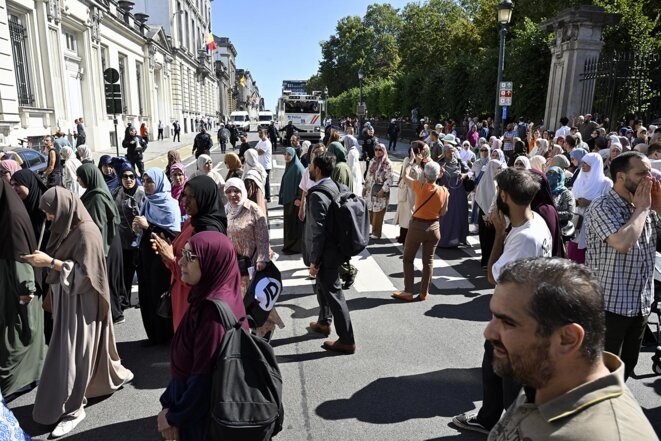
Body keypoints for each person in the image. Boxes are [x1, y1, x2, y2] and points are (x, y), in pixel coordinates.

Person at [486, 257, 659, 441]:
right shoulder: (541, 373)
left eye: (508, 322)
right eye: (493, 317)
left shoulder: (608, 435)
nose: (489, 332)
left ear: (568, 339)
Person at [23, 187, 133, 438]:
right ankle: (109, 378)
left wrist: (49, 263)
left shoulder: (87, 232)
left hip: (83, 305)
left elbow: (87, 277)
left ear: (63, 208)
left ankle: (73, 409)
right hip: (68, 302)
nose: (48, 218)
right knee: (77, 354)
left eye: (50, 212)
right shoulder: (68, 227)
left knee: (72, 356)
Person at [452, 168, 552, 435]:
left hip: (517, 320)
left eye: (499, 192)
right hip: (521, 315)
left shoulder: (524, 237)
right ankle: (488, 418)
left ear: (504, 196)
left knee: (510, 381)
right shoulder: (535, 222)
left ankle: (514, 430)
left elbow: (493, 276)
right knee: (492, 368)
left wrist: (498, 232)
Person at [157, 232, 248, 441]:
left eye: (189, 257)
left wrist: (173, 417)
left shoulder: (212, 315)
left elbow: (203, 383)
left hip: (200, 424)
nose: (180, 262)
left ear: (211, 262)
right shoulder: (215, 295)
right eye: (183, 255)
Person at [585, 151, 661, 380]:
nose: (649, 179)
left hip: (640, 305)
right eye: (641, 174)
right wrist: (644, 209)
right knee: (602, 374)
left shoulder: (645, 207)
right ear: (620, 176)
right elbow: (622, 243)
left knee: (625, 369)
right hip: (610, 306)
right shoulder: (602, 206)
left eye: (650, 173)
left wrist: (658, 207)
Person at [151, 175, 227, 332]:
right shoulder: (192, 221)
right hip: (181, 296)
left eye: (192, 197)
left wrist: (171, 258)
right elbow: (180, 253)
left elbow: (197, 278)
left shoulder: (208, 231)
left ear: (204, 198)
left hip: (195, 303)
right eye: (184, 195)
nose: (185, 201)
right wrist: (165, 247)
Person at [305, 154, 356, 354]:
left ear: (317, 169)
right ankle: (324, 322)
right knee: (323, 287)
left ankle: (347, 339)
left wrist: (314, 261)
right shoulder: (334, 185)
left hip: (326, 253)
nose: (309, 168)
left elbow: (318, 232)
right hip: (336, 248)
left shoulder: (317, 194)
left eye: (311, 165)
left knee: (334, 294)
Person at [0, 179, 45, 401]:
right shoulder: (8, 210)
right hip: (11, 284)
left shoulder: (11, 219)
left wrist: (25, 287)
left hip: (19, 288)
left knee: (17, 334)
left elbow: (20, 256)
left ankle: (15, 382)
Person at [132, 168, 181, 344]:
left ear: (159, 182)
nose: (146, 185)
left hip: (161, 259)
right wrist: (138, 228)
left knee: (160, 293)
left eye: (150, 181)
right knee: (147, 295)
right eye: (144, 181)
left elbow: (174, 234)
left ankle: (167, 335)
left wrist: (148, 226)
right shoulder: (148, 202)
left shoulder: (170, 204)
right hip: (147, 254)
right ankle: (153, 335)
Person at [392, 161, 449, 302]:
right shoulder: (444, 191)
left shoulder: (420, 186)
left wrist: (409, 162)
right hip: (434, 227)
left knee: (408, 258)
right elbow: (443, 212)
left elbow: (405, 175)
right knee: (428, 261)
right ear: (438, 175)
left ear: (424, 174)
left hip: (418, 226)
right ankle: (424, 292)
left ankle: (408, 291)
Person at [76, 164, 125, 324]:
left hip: (106, 244)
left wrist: (100, 253)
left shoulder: (97, 197)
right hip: (108, 242)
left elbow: (98, 226)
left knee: (107, 279)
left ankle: (115, 315)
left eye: (80, 177)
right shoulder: (94, 192)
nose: (78, 180)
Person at [568, 153, 612, 263]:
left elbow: (610, 203)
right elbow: (571, 198)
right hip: (578, 223)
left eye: (586, 163)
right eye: (582, 162)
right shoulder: (579, 180)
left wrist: (590, 202)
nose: (583, 165)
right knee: (574, 259)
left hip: (595, 224)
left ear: (595, 164)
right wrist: (577, 202)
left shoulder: (605, 183)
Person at [112, 160, 145, 302]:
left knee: (143, 272)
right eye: (125, 177)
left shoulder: (143, 193)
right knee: (126, 272)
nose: (129, 180)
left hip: (142, 240)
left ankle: (143, 299)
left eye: (131, 176)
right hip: (124, 240)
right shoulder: (118, 194)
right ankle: (124, 299)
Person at [474, 158, 507, 268]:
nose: (498, 171)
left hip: (494, 215)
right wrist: (488, 214)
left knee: (493, 239)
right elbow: (480, 198)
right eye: (496, 168)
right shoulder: (485, 181)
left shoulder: (498, 182)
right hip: (485, 215)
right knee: (485, 239)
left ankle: (492, 262)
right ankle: (485, 261)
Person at [438, 144, 470, 248]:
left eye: (452, 151)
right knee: (445, 216)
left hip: (459, 193)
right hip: (445, 193)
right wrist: (440, 173)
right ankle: (444, 239)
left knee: (459, 215)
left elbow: (470, 172)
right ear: (444, 152)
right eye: (448, 151)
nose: (451, 153)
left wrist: (464, 175)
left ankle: (458, 239)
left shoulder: (459, 162)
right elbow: (433, 177)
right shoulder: (440, 163)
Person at [394, 143, 422, 244]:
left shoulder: (419, 163)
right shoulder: (407, 160)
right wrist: (411, 161)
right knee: (405, 216)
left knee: (409, 216)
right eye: (416, 152)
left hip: (413, 192)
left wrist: (418, 162)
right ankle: (403, 238)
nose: (418, 154)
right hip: (405, 192)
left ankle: (405, 238)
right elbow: (405, 174)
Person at [363, 142, 392, 239]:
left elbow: (389, 179)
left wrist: (383, 190)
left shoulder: (387, 163)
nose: (378, 152)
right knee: (371, 210)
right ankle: (374, 229)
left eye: (380, 150)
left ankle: (376, 233)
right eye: (376, 149)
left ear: (384, 151)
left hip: (380, 190)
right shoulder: (372, 161)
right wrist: (365, 188)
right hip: (370, 189)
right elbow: (368, 175)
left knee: (379, 212)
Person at [279, 147, 305, 254]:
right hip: (289, 200)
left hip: (294, 201)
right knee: (289, 224)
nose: (286, 156)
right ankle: (289, 245)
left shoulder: (297, 168)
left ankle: (295, 247)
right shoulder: (290, 165)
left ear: (293, 155)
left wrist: (299, 198)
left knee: (293, 225)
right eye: (285, 154)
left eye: (289, 154)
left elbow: (302, 185)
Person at [546, 166, 576, 232]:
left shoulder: (566, 194)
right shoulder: (545, 191)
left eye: (554, 174)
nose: (550, 175)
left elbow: (570, 214)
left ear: (560, 176)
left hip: (558, 229)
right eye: (548, 173)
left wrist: (551, 213)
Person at [243, 149, 268, 217]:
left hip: (253, 207)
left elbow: (248, 195)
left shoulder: (249, 176)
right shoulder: (259, 167)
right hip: (261, 201)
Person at [255, 129, 273, 202]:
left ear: (266, 134)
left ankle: (268, 197)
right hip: (260, 164)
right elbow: (256, 149)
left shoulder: (267, 143)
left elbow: (260, 152)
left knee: (266, 182)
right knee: (260, 181)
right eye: (259, 134)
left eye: (261, 134)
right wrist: (256, 150)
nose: (260, 135)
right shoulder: (260, 141)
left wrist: (256, 151)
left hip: (266, 165)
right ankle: (263, 195)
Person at [344, 129, 363, 196]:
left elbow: (350, 166)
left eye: (346, 142)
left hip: (353, 175)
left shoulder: (352, 152)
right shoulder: (353, 150)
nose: (345, 144)